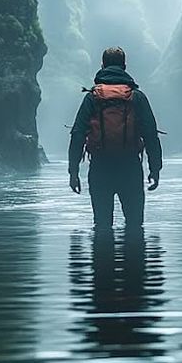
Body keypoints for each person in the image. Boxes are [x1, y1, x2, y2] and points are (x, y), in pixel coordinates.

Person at [68, 46, 162, 229]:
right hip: (130, 168)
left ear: (102, 66)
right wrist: (155, 169)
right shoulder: (137, 97)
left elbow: (78, 134)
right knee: (135, 226)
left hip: (100, 168)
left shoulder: (92, 98)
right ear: (124, 66)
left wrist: (73, 172)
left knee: (102, 226)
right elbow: (151, 135)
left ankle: (103, 256)